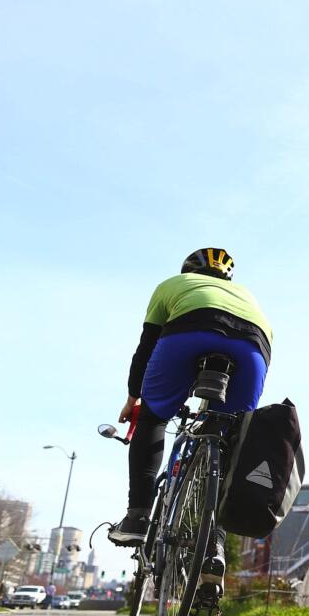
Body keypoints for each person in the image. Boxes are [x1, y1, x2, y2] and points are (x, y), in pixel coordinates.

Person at [108, 248, 273, 595]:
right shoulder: (248, 296)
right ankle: (213, 542)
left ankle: (137, 517)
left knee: (152, 418)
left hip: (189, 331)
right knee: (229, 436)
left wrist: (133, 397)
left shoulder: (173, 285)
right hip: (254, 347)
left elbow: (147, 346)